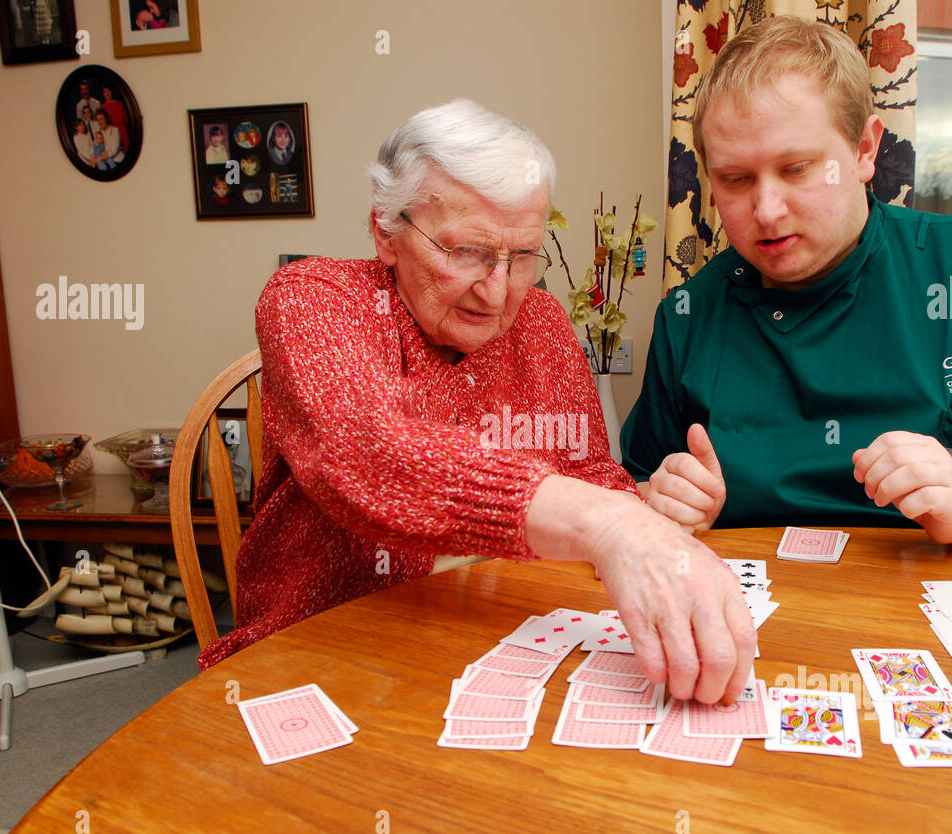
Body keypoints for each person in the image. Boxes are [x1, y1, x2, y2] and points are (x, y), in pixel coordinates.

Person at [199, 99, 755, 707]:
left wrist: (648, 505)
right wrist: (608, 522)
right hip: (315, 654)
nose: (498, 290)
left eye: (522, 256)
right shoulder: (312, 299)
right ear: (385, 231)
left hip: (484, 645)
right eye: (468, 251)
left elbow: (589, 474)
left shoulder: (541, 322)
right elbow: (364, 452)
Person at [622, 17, 952, 550]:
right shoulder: (688, 315)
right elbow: (639, 488)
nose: (766, 210)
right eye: (735, 179)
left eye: (797, 169)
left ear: (864, 150)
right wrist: (668, 503)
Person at [99, 87, 130, 155]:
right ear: (103, 93)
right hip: (111, 134)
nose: (107, 94)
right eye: (105, 92)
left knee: (126, 152)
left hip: (122, 132)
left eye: (108, 91)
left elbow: (125, 121)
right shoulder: (102, 107)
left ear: (112, 92)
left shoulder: (119, 104)